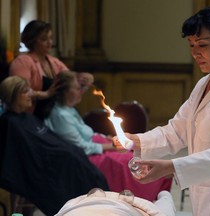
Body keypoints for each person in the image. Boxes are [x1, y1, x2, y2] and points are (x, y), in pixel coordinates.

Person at [113, 5, 210, 216]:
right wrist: (136, 141)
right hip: (204, 188)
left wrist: (171, 166)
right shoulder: (204, 84)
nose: (195, 53)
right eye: (191, 44)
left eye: (202, 45)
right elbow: (177, 130)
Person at [44, 70, 173, 201]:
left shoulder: (68, 109)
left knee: (137, 156)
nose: (81, 91)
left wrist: (106, 138)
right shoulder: (60, 115)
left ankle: (160, 190)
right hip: (87, 157)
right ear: (65, 91)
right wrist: (111, 145)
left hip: (97, 145)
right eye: (77, 88)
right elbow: (82, 147)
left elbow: (87, 134)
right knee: (127, 163)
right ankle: (145, 195)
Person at [0, 76, 109, 216]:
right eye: (25, 92)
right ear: (12, 96)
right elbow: (26, 156)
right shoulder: (10, 124)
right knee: (75, 168)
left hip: (64, 157)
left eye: (29, 90)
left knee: (83, 166)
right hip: (46, 167)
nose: (30, 95)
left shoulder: (27, 118)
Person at [9, 20, 94, 120]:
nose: (50, 43)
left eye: (50, 38)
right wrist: (45, 94)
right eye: (44, 39)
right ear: (32, 41)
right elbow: (19, 92)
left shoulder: (53, 62)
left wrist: (84, 79)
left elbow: (71, 79)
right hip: (31, 117)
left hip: (53, 116)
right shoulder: (22, 62)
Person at [55, 189, 176, 216]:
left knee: (164, 201)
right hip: (119, 205)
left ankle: (163, 194)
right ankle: (163, 193)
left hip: (83, 204)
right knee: (165, 200)